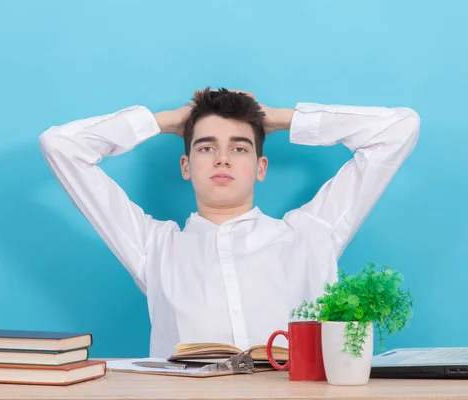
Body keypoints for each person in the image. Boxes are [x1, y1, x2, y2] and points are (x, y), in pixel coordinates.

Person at [39, 87, 420, 358]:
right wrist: (165, 122)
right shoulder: (153, 247)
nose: (222, 159)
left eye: (239, 148)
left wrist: (284, 120)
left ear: (260, 167)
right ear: (186, 166)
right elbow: (61, 146)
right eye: (206, 147)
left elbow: (398, 129)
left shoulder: (311, 234)